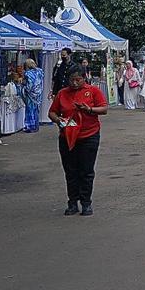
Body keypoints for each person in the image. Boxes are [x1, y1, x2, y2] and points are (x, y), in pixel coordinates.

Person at [48, 69, 107, 216]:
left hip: (89, 135)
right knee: (70, 171)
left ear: (84, 78)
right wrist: (58, 120)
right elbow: (52, 112)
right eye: (72, 80)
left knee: (86, 170)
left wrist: (90, 109)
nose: (75, 83)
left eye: (78, 80)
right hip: (67, 135)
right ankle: (72, 202)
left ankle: (86, 202)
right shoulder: (62, 93)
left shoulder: (93, 91)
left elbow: (104, 109)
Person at [22, 58, 44, 132]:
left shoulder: (28, 73)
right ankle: (36, 126)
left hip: (30, 94)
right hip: (38, 93)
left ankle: (30, 126)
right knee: (36, 110)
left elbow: (29, 85)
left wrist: (25, 88)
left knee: (30, 110)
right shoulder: (40, 71)